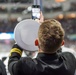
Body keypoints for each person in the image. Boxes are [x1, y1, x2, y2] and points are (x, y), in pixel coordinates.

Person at [8, 19, 76, 75]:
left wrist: (20, 42)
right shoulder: (69, 60)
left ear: (36, 42)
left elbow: (12, 62)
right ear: (62, 43)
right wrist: (49, 29)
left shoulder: (27, 66)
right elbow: (55, 46)